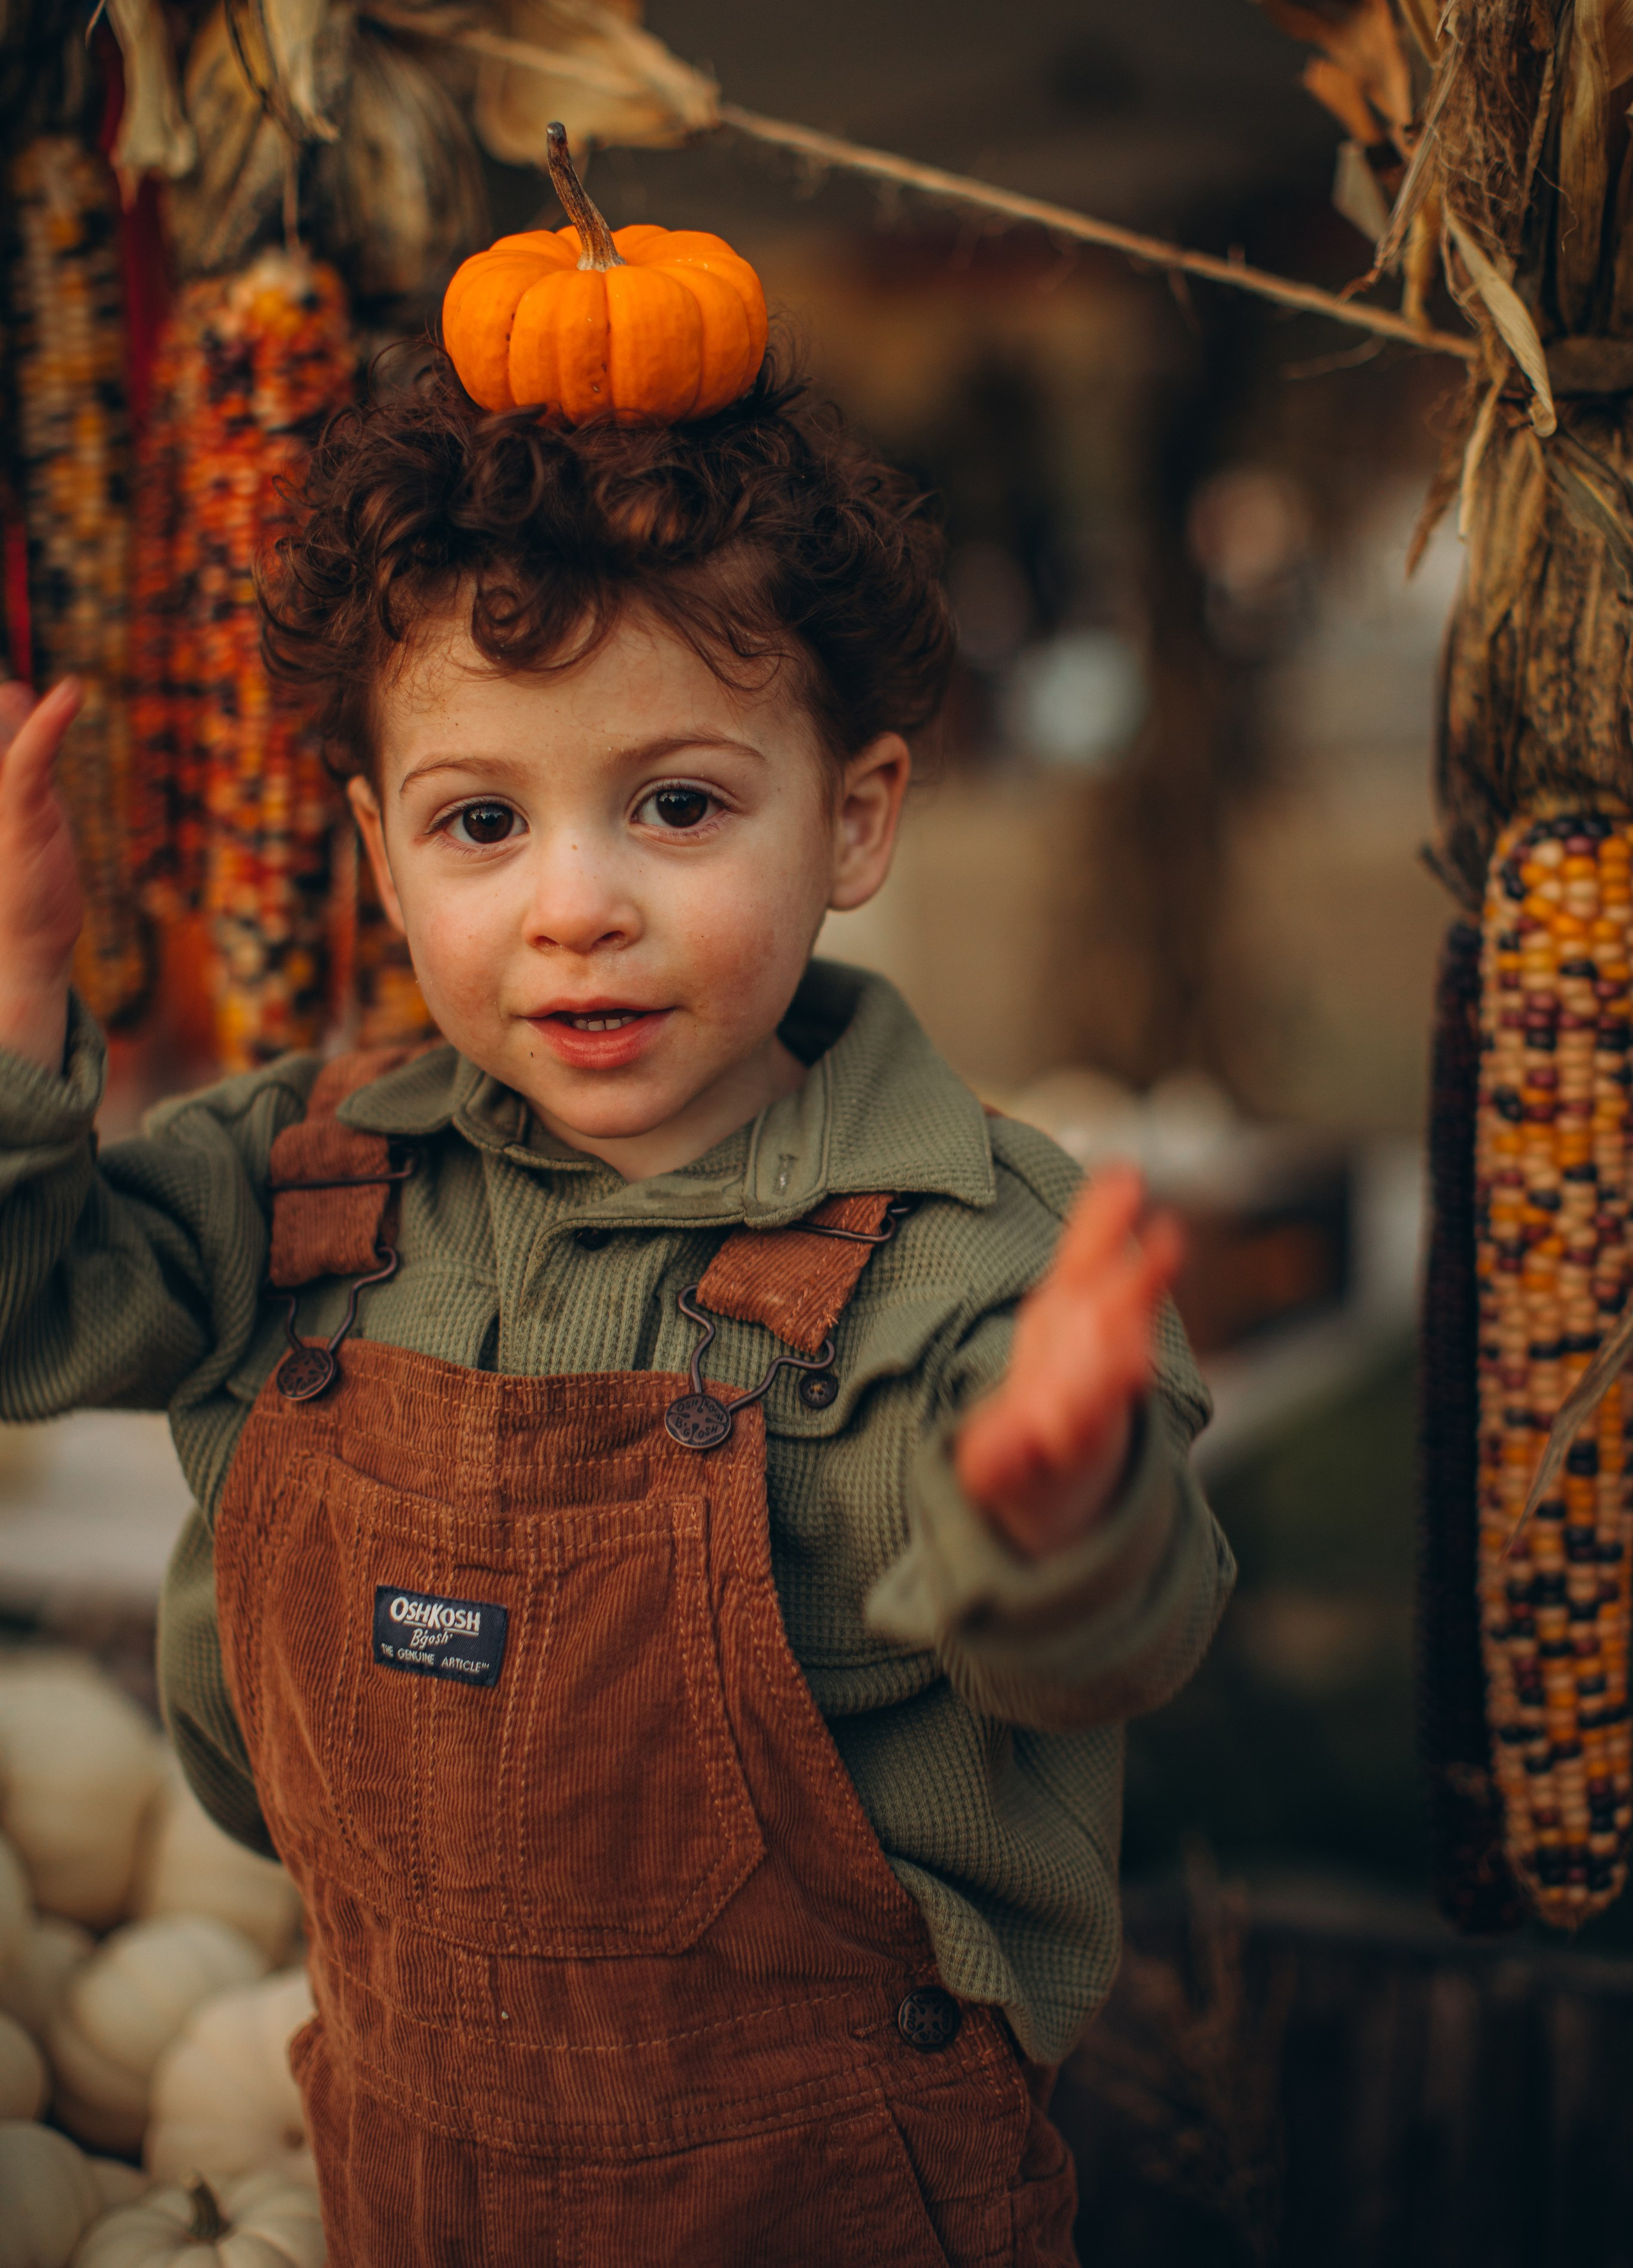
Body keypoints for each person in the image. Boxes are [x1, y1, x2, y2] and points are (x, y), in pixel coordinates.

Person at [0, 330, 1233, 2265]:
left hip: (824, 2193)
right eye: (482, 823)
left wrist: (1057, 1510)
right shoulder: (297, 1181)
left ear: (854, 814)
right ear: (379, 855)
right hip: (405, 2160)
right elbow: (26, 1315)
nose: (576, 903)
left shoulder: (966, 1251)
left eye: (674, 807)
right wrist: (14, 1024)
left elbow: (1093, 1661)